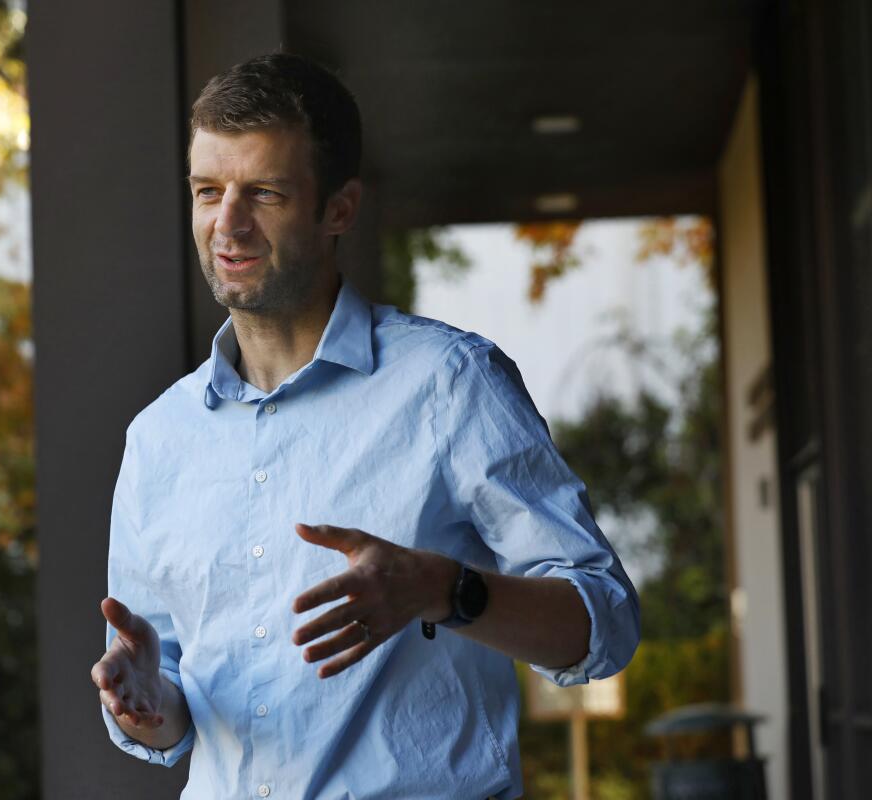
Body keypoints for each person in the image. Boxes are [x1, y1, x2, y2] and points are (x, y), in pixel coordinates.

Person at [90, 52, 639, 799]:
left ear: (339, 209)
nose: (227, 224)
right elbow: (173, 706)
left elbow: (603, 621)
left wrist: (445, 590)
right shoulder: (158, 441)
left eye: (266, 193)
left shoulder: (449, 384)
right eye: (207, 191)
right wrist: (147, 705)